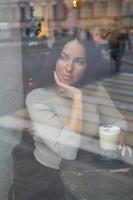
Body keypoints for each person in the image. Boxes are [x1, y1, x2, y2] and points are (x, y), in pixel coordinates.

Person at [12, 35, 129, 200]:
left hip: (91, 167)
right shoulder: (37, 97)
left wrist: (120, 133)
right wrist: (77, 99)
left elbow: (117, 120)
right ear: (54, 59)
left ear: (88, 66)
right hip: (50, 177)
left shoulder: (95, 89)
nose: (69, 68)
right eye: (63, 58)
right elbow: (67, 151)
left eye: (79, 61)